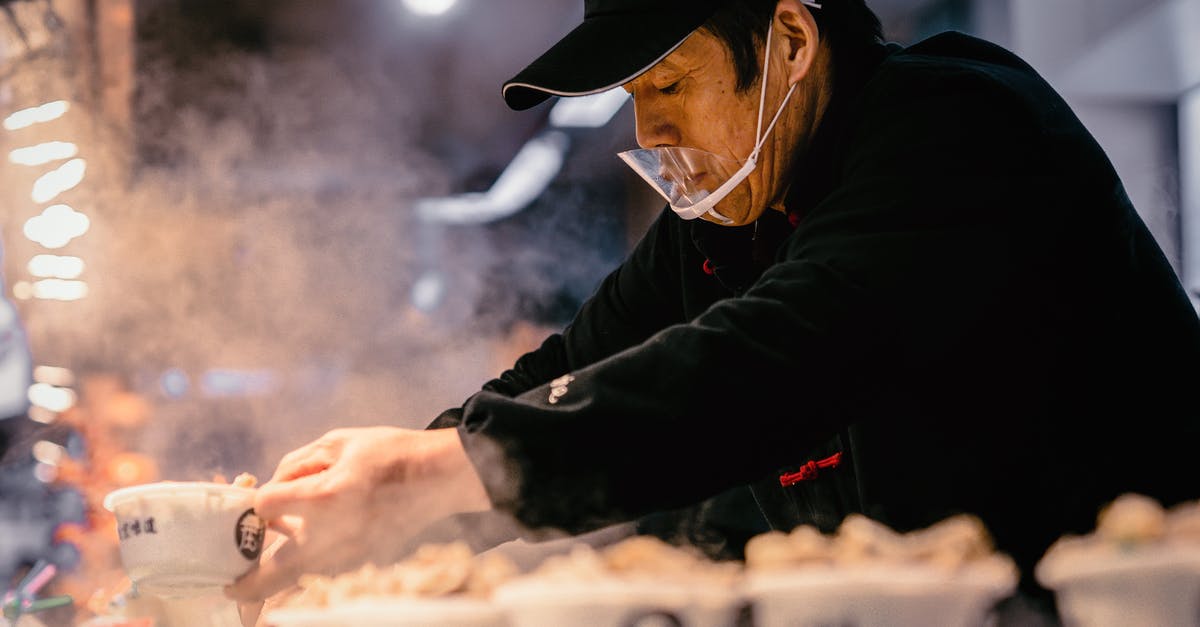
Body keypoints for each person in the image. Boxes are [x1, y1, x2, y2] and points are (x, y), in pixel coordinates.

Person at [227, 0, 1200, 618]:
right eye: (633, 95)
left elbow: (778, 356)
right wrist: (370, 511)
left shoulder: (961, 124)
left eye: (669, 82)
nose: (646, 128)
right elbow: (570, 373)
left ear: (788, 41)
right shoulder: (725, 220)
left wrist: (440, 472)